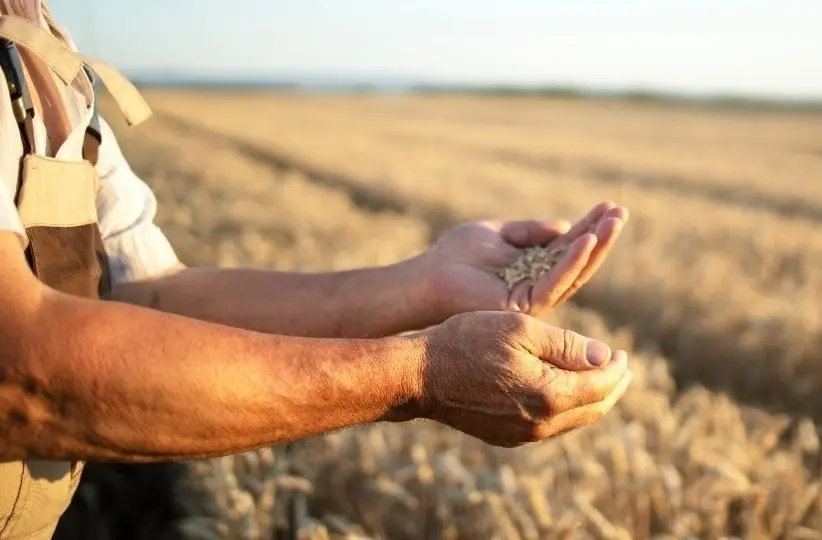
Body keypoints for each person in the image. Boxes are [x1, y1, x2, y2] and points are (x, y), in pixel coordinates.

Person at [0, 2, 633, 539]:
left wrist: (425, 282)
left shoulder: (43, 43)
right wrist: (419, 375)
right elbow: (20, 367)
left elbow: (145, 294)